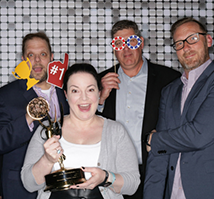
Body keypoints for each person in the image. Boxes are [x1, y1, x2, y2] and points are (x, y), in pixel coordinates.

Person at [21, 63, 140, 199]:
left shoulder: (116, 131)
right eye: (75, 91)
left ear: (99, 92)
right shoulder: (47, 129)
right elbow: (28, 184)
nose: (84, 98)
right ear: (66, 95)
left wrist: (106, 177)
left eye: (90, 90)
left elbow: (133, 184)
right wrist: (47, 160)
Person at [144, 17, 214, 199]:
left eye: (193, 38)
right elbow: (159, 156)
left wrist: (155, 140)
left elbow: (199, 135)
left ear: (208, 40)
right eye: (179, 43)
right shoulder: (169, 91)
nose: (186, 47)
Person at [98, 20, 181, 198]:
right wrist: (99, 100)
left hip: (156, 171)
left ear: (141, 43)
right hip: (112, 174)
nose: (126, 49)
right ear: (114, 48)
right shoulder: (98, 83)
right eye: (119, 43)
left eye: (132, 42)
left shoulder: (170, 79)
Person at [0, 32, 69, 199]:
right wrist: (28, 118)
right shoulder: (5, 96)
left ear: (51, 58)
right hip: (22, 189)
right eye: (31, 55)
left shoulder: (66, 91)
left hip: (63, 187)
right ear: (24, 59)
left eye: (42, 54)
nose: (37, 61)